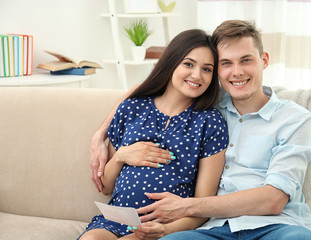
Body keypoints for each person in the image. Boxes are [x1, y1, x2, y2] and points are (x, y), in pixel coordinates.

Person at [90, 20, 311, 240]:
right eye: (226, 63)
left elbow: (273, 200)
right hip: (214, 229)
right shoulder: (210, 102)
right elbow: (148, 88)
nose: (237, 72)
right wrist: (101, 133)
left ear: (264, 60)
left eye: (246, 60)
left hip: (276, 227)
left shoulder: (294, 120)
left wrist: (185, 206)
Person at [79, 29, 228, 240]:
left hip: (163, 227)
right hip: (116, 219)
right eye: (188, 64)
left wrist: (166, 230)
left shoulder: (210, 122)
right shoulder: (131, 108)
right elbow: (106, 187)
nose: (197, 75)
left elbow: (203, 205)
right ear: (171, 62)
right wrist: (122, 155)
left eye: (207, 69)